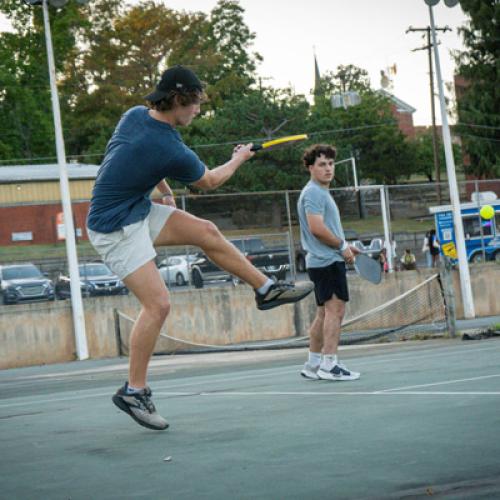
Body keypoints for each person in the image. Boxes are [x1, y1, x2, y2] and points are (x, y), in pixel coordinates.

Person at [86, 65, 313, 430]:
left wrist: (164, 190)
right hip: (114, 227)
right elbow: (210, 180)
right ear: (177, 100)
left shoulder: (134, 116)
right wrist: (239, 157)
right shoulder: (168, 146)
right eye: (194, 105)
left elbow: (136, 158)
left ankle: (267, 289)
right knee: (158, 304)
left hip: (136, 208)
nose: (197, 111)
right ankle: (134, 391)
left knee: (206, 231)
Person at [297, 144, 361, 382]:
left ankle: (313, 364)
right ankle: (329, 365)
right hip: (327, 261)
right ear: (310, 167)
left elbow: (325, 230)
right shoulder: (314, 192)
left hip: (321, 260)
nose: (328, 169)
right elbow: (317, 229)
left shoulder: (318, 192)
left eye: (331, 164)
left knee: (324, 314)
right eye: (322, 164)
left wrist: (345, 244)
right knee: (336, 311)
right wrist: (341, 246)